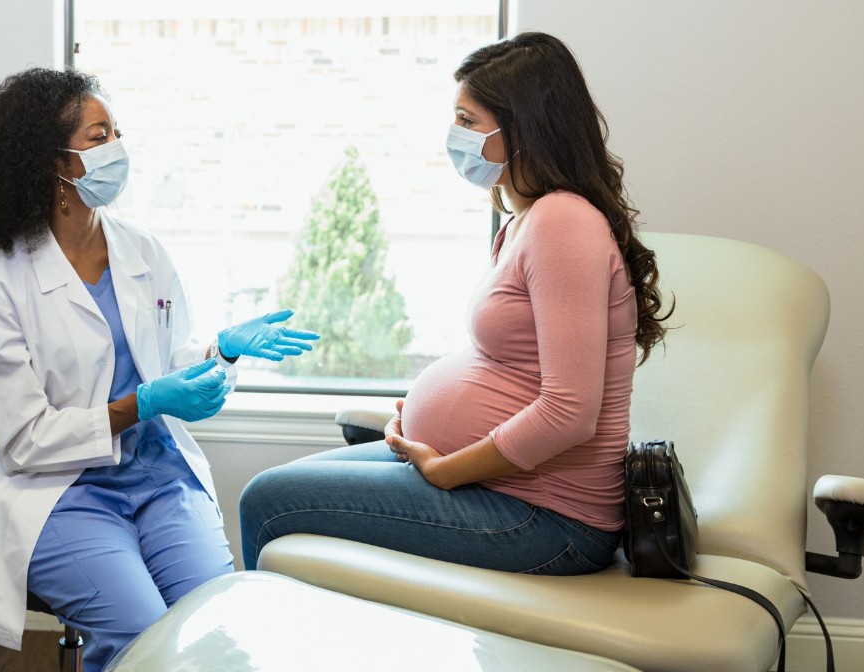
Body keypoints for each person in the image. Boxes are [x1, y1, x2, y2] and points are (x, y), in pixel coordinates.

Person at [240, 32, 670, 577]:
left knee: (268, 501)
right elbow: (512, 365)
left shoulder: (564, 223)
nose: (454, 136)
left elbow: (569, 413)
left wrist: (447, 469)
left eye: (468, 121)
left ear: (523, 131)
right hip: (502, 486)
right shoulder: (523, 220)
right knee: (274, 489)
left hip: (549, 517)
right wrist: (424, 419)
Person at [0, 67, 318, 672]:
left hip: (158, 478)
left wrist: (223, 354)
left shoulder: (143, 252)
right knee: (146, 646)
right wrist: (143, 401)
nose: (117, 150)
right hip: (61, 492)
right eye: (100, 137)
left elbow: (175, 365)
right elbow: (25, 439)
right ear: (55, 163)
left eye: (116, 132)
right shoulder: (1, 279)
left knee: (214, 630)